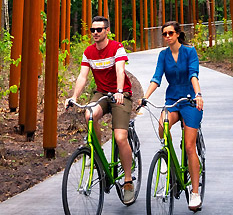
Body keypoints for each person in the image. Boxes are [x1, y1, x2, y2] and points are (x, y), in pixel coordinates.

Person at [65, 16, 135, 204]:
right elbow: (82, 76)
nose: (95, 33)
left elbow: (120, 70)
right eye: (92, 30)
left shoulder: (117, 48)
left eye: (99, 30)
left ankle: (128, 182)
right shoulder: (89, 52)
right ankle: (97, 152)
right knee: (89, 113)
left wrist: (119, 91)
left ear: (107, 31)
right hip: (102, 93)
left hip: (120, 94)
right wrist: (74, 97)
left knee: (120, 137)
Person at [142, 21, 204, 212]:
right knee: (163, 125)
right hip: (172, 100)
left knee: (189, 146)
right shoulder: (163, 55)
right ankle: (167, 157)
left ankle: (195, 192)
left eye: (170, 33)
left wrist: (198, 94)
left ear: (177, 34)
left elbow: (193, 74)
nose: (167, 36)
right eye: (164, 34)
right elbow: (156, 78)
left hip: (190, 100)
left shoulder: (189, 52)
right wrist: (145, 97)